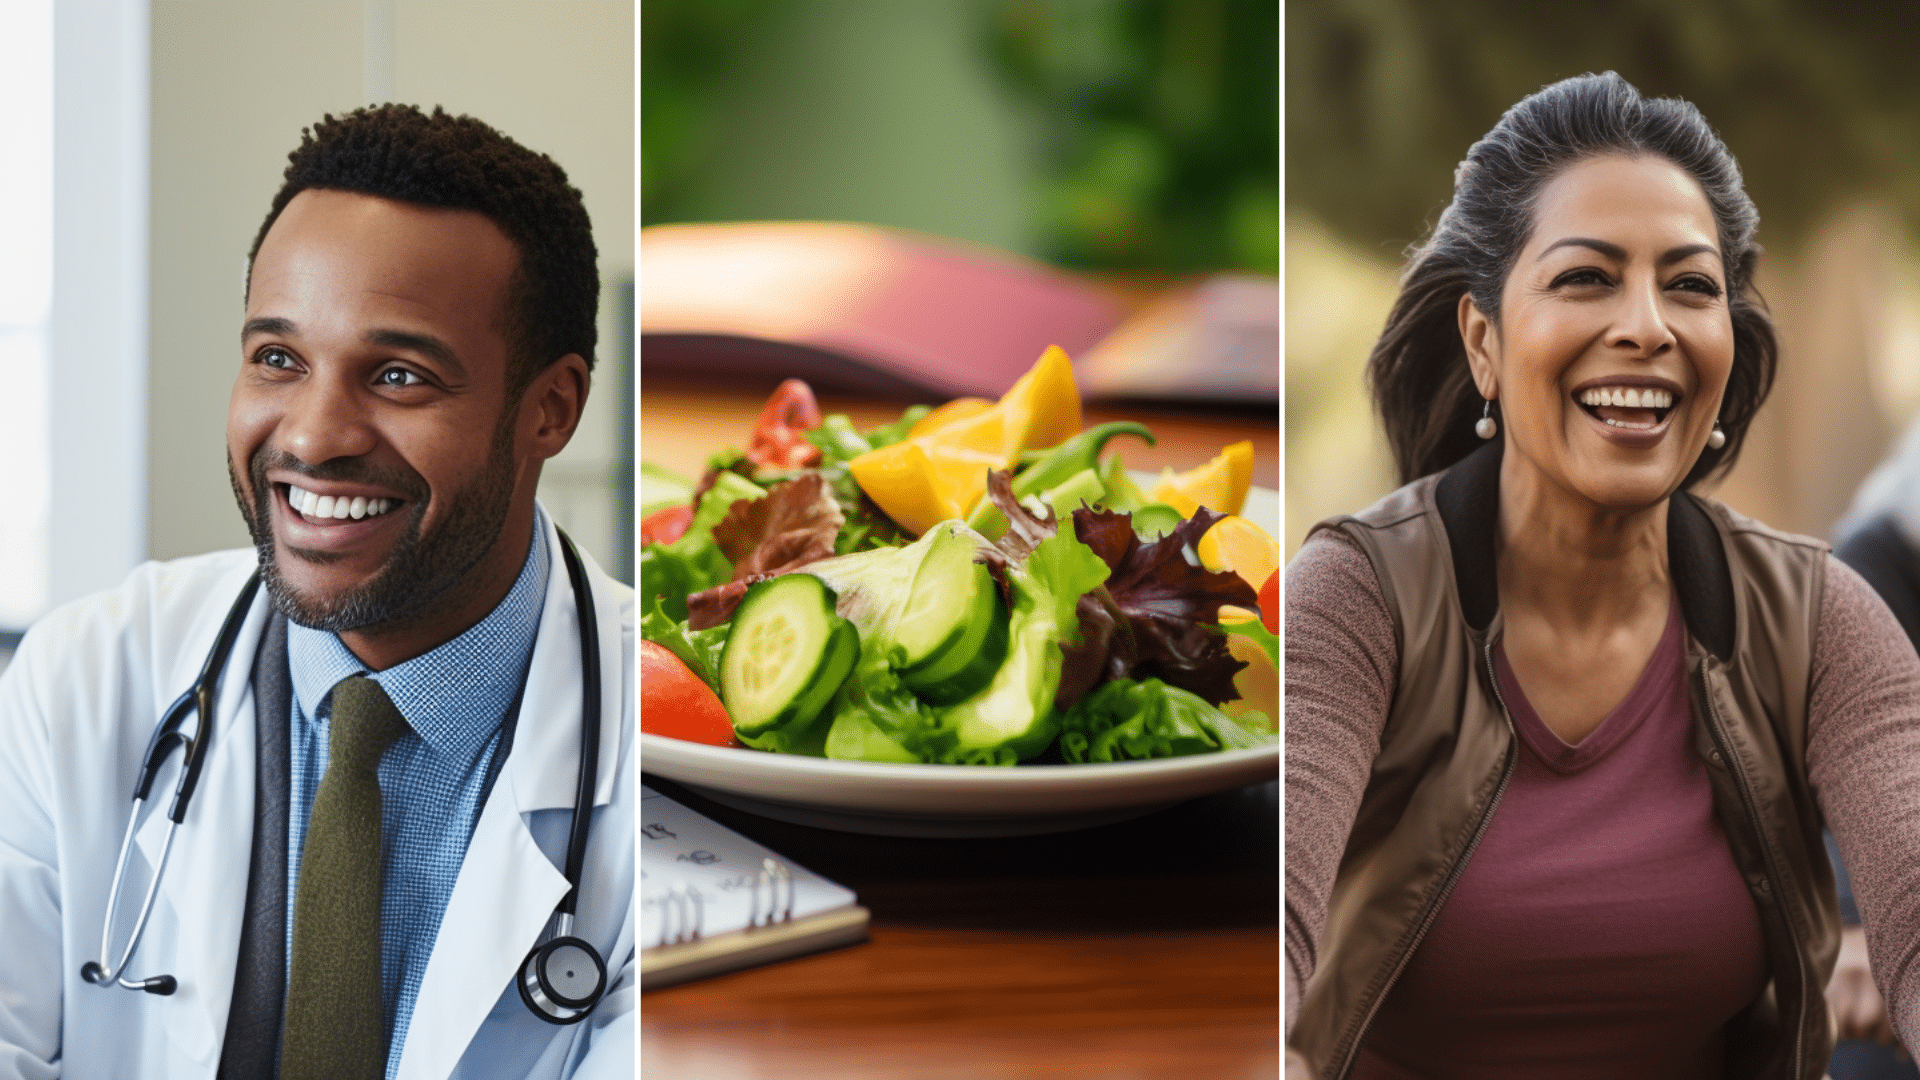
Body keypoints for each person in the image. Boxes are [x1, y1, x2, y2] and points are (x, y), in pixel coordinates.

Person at [1285, 72, 1920, 1078]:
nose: (1648, 325)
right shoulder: (1360, 599)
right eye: (1587, 277)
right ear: (1483, 341)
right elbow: (1268, 944)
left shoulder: (1819, 619)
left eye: (1690, 285)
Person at [0, 106, 634, 1079]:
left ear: (550, 409)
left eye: (397, 375)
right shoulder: (81, 678)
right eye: (278, 359)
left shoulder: (665, 758)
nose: (311, 435)